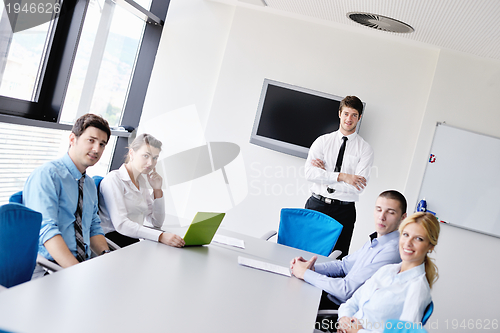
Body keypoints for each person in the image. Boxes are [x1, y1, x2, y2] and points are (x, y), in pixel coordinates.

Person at [24, 114, 111, 273]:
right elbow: (46, 231)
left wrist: (107, 257)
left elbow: (93, 227)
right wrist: (76, 272)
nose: (96, 149)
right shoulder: (47, 175)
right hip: (49, 269)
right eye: (91, 140)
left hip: (80, 266)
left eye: (102, 144)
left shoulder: (89, 184)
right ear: (72, 139)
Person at [290, 190, 407, 310]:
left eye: (390, 212)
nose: (382, 217)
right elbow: (343, 266)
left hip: (337, 309)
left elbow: (345, 291)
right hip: (329, 295)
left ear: (403, 218)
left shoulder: (392, 251)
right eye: (378, 209)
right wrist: (310, 267)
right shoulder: (375, 240)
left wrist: (305, 274)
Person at [336, 212, 440, 333]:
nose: (408, 243)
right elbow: (354, 301)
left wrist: (358, 331)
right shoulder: (387, 270)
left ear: (430, 246)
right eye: (405, 235)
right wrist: (344, 319)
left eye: (418, 239)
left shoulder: (417, 288)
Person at [304, 96, 374, 258]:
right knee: (306, 251)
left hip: (344, 211)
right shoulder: (322, 141)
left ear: (359, 117)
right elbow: (310, 174)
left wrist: (325, 174)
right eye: (346, 113)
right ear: (340, 114)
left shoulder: (365, 149)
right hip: (317, 205)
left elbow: (358, 186)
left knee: (336, 259)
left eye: (354, 115)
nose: (349, 119)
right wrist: (343, 176)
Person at [98, 133, 185, 248]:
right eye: (146, 156)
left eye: (155, 158)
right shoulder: (114, 179)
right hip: (113, 242)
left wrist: (157, 189)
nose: (151, 163)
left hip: (131, 241)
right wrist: (160, 236)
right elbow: (121, 224)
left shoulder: (141, 182)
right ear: (132, 153)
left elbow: (156, 222)